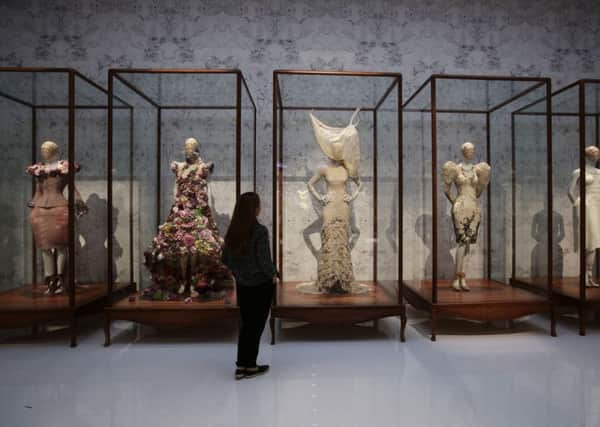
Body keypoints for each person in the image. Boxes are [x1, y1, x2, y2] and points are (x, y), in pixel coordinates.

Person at [222, 192, 278, 380]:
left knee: (246, 325)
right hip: (260, 285)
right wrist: (273, 275)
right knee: (256, 326)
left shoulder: (233, 230)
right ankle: (250, 366)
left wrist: (239, 274)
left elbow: (226, 260)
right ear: (254, 208)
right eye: (259, 205)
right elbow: (264, 261)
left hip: (243, 285)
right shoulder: (259, 231)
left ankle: (242, 365)